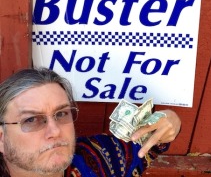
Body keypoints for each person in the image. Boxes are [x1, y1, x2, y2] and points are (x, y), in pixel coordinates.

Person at [0, 68, 181, 177]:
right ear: (2, 138)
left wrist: (169, 120)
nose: (54, 131)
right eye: (31, 120)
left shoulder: (98, 155)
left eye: (61, 113)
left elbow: (150, 142)